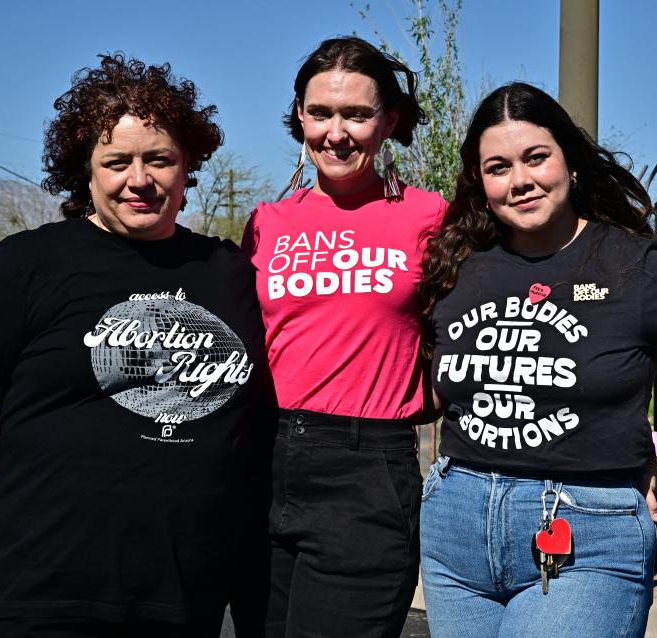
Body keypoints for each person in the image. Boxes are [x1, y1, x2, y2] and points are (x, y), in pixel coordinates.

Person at [0, 53, 274, 637]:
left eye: (159, 158)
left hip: (187, 592)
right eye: (117, 162)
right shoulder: (28, 264)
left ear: (188, 167)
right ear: (84, 171)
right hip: (45, 592)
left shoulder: (228, 272)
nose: (140, 180)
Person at [417, 81, 657, 638]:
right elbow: (434, 389)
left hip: (585, 525)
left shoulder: (634, 266)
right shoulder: (461, 266)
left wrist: (655, 449)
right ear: (480, 180)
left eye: (536, 157)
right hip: (457, 522)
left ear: (572, 161)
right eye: (498, 167)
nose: (520, 180)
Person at [242, 36, 447, 638]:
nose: (336, 132)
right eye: (321, 113)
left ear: (389, 121)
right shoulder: (266, 223)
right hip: (261, 458)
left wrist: (427, 391)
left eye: (357, 115)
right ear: (299, 117)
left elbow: (475, 327)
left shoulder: (431, 217)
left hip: (367, 471)